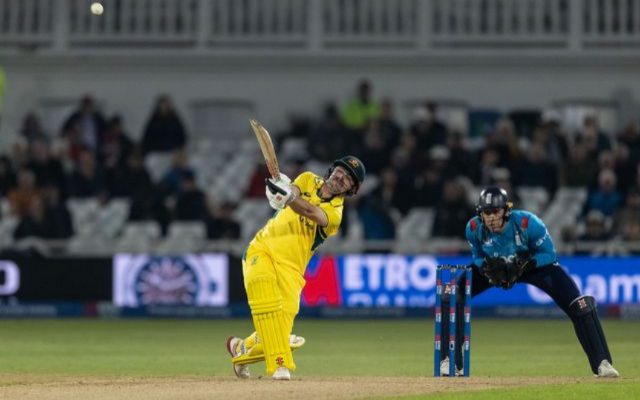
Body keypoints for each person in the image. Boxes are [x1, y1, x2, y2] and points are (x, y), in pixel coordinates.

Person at [441, 186, 619, 378]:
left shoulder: (528, 223)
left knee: (580, 305)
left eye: (495, 212)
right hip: (496, 268)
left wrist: (526, 265)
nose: (490, 217)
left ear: (506, 211)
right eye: (486, 213)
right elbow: (477, 257)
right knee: (451, 295)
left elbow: (550, 254)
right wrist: (486, 266)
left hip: (534, 268)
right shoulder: (474, 228)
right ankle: (450, 362)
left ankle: (603, 363)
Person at [226, 156, 366, 380]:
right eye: (341, 171)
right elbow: (293, 192)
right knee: (265, 300)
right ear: (332, 169)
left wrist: (287, 196)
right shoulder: (308, 178)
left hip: (292, 269)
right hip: (262, 249)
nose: (341, 177)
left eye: (349, 178)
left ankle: (240, 349)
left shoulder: (335, 214)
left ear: (352, 189)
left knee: (278, 324)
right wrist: (279, 193)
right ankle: (280, 365)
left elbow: (310, 212)